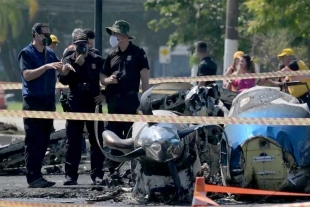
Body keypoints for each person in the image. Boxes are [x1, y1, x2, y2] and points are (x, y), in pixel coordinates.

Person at [18, 23, 63, 188]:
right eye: (44, 34)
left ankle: (39, 175)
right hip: (33, 101)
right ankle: (33, 177)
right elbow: (27, 75)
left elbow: (60, 68)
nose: (47, 37)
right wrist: (44, 67)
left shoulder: (50, 52)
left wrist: (66, 67)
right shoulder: (26, 53)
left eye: (48, 34)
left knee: (44, 140)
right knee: (34, 140)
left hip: (48, 101)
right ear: (35, 35)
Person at [100, 20, 150, 168]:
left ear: (124, 36)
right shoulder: (111, 55)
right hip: (114, 102)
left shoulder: (138, 52)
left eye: (116, 34)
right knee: (113, 137)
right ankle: (113, 169)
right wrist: (108, 80)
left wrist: (144, 100)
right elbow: (102, 78)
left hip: (130, 101)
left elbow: (145, 78)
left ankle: (130, 169)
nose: (113, 36)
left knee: (131, 136)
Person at [58, 32, 106, 185]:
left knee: (96, 140)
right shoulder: (68, 60)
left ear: (88, 45)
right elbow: (63, 81)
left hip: (93, 102)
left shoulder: (97, 59)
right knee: (73, 140)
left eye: (84, 44)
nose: (82, 47)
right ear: (74, 45)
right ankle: (71, 175)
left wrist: (104, 94)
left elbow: (109, 77)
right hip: (75, 103)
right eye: (78, 44)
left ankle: (97, 175)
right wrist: (76, 65)